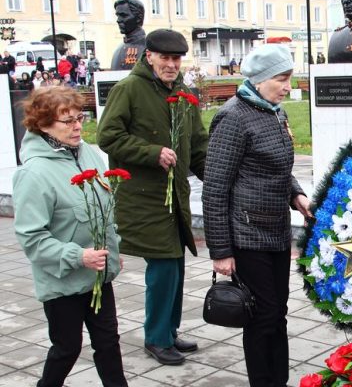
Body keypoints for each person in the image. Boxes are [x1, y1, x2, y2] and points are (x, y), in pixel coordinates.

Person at [97, 29, 209, 366]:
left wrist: (216, 179)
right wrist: (151, 152)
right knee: (162, 266)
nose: (172, 65)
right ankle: (156, 338)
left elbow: (198, 143)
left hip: (175, 195)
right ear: (150, 56)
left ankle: (168, 331)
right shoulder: (129, 89)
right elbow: (108, 136)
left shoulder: (183, 92)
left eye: (177, 59)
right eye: (165, 58)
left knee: (175, 264)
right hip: (143, 197)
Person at [203, 44, 311, 387]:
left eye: (289, 78)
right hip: (247, 237)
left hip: (276, 230)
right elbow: (215, 189)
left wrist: (296, 193)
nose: (287, 87)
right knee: (261, 319)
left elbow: (277, 164)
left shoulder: (274, 111)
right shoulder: (233, 117)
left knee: (277, 315)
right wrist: (221, 251)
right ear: (261, 80)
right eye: (281, 79)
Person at [13, 86, 127, 387]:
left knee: (108, 342)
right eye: (68, 121)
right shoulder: (33, 173)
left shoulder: (88, 153)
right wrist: (79, 256)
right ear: (43, 123)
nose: (78, 126)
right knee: (67, 348)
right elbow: (32, 238)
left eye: (80, 117)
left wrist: (113, 249)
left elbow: (105, 208)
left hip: (98, 276)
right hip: (62, 281)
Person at [111, 0, 147, 70]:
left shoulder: (148, 48)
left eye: (123, 16)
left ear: (139, 18)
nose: (118, 20)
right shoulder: (119, 49)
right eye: (118, 16)